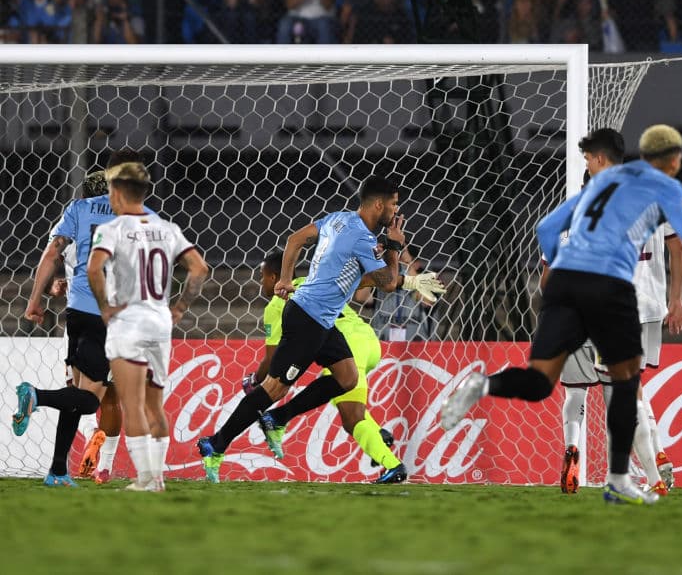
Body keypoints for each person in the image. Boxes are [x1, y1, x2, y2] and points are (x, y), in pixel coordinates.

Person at [440, 124, 682, 505]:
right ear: (670, 160)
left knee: (542, 382)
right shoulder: (660, 190)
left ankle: (483, 385)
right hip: (607, 294)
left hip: (564, 291)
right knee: (625, 389)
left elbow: (545, 228)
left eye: (588, 158)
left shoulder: (591, 194)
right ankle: (639, 478)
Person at [196, 176, 436, 482]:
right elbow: (388, 284)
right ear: (379, 204)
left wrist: (285, 278)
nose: (396, 210)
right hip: (308, 319)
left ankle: (278, 418)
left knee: (347, 378)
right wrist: (394, 246)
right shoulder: (362, 239)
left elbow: (295, 238)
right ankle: (215, 444)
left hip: (322, 319)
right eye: (393, 204)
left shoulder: (338, 219)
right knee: (274, 388)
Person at [555, 128, 682, 497]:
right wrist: (676, 299)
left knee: (601, 393)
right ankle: (656, 458)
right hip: (648, 308)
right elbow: (678, 249)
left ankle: (646, 468)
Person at [245, 249, 442, 483]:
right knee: (348, 405)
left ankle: (394, 467)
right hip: (369, 341)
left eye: (261, 276)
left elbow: (271, 359)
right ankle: (379, 435)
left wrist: (254, 380)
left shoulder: (277, 304)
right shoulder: (314, 281)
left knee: (351, 417)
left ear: (273, 277)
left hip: (345, 349)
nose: (260, 282)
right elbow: (359, 283)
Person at [15, 150, 151, 487]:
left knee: (76, 393)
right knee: (92, 400)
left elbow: (51, 252)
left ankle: (58, 470)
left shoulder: (79, 208)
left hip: (76, 311)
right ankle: (36, 396)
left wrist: (35, 301)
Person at [83, 162, 208, 491]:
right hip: (159, 322)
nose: (109, 197)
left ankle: (145, 480)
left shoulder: (111, 229)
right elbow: (199, 268)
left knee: (132, 402)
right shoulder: (167, 228)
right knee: (155, 403)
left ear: (120, 192)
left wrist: (104, 307)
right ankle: (158, 478)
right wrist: (179, 308)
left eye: (110, 190)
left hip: (128, 322)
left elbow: (94, 270)